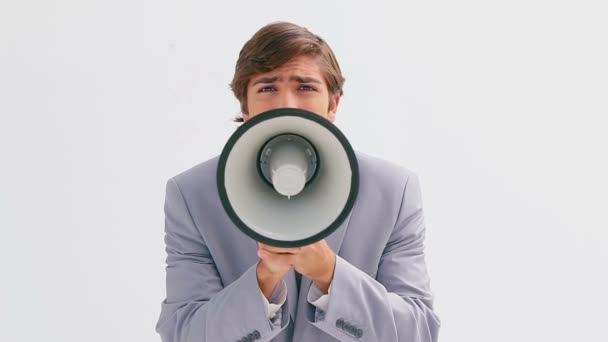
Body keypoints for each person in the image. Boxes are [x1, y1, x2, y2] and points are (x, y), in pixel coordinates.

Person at [156, 21, 440, 342]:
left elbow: (418, 332)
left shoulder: (392, 191)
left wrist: (329, 273)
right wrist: (265, 279)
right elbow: (184, 333)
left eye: (305, 87)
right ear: (245, 108)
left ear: (333, 104)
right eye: (267, 88)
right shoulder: (193, 195)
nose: (286, 105)